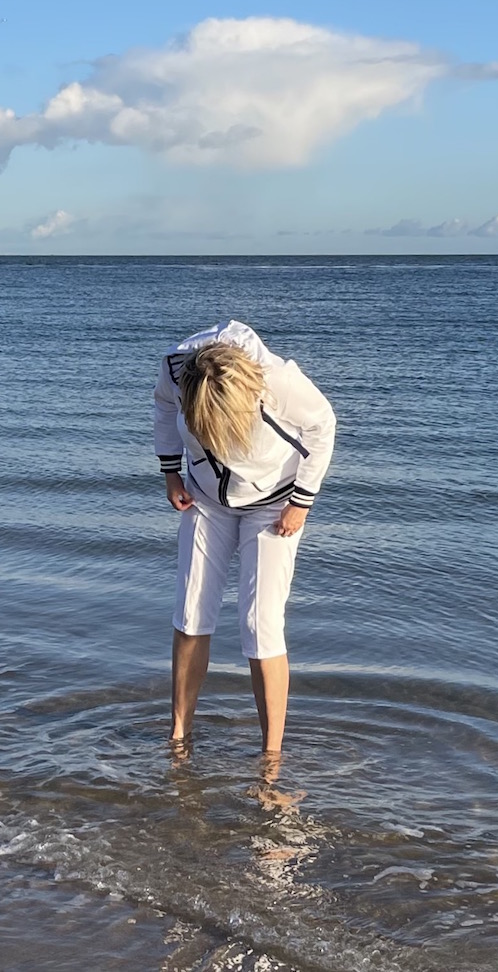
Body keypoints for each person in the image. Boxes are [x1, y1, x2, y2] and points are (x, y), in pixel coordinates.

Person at [152, 320, 336, 756]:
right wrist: (170, 472)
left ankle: (271, 755)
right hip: (204, 497)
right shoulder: (177, 368)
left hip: (275, 502)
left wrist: (302, 502)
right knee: (191, 612)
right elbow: (163, 406)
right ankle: (179, 737)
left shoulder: (280, 383)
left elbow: (322, 425)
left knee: (261, 625)